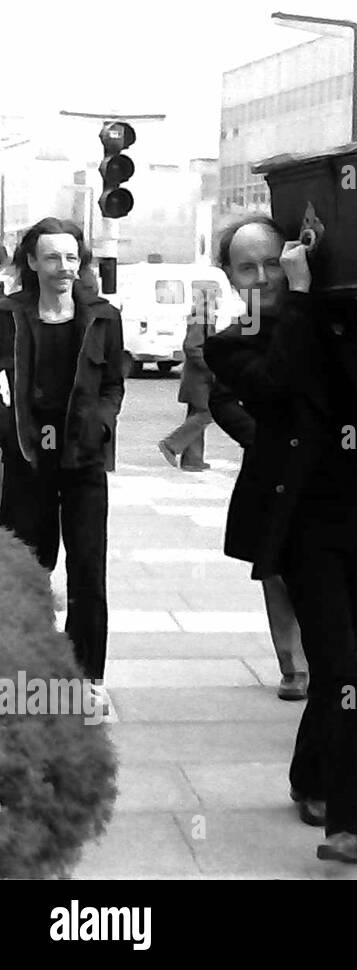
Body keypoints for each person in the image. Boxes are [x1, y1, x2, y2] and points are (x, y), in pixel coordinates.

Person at [204, 214, 357, 864]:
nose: (263, 277)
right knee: (343, 668)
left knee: (351, 669)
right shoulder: (232, 343)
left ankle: (310, 773)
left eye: (272, 261)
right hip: (304, 528)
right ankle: (352, 822)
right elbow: (276, 383)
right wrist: (303, 299)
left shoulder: (340, 318)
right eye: (247, 267)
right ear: (230, 279)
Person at [0, 218, 125, 689]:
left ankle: (84, 678)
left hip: (83, 462)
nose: (64, 267)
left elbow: (113, 383)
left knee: (89, 572)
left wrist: (101, 423)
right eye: (52, 257)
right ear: (32, 262)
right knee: (25, 571)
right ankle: (22, 674)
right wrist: (6, 431)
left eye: (72, 257)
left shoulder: (102, 317)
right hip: (27, 461)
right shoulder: (7, 314)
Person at [207, 372, 309, 701]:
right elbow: (223, 398)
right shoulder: (256, 320)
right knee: (276, 567)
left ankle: (326, 659)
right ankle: (294, 666)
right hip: (272, 468)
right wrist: (259, 438)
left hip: (328, 462)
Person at [157, 289, 216, 471]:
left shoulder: (201, 316)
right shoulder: (200, 317)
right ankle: (171, 444)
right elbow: (192, 347)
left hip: (196, 379)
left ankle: (193, 460)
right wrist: (211, 367)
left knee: (197, 414)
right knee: (206, 414)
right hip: (199, 379)